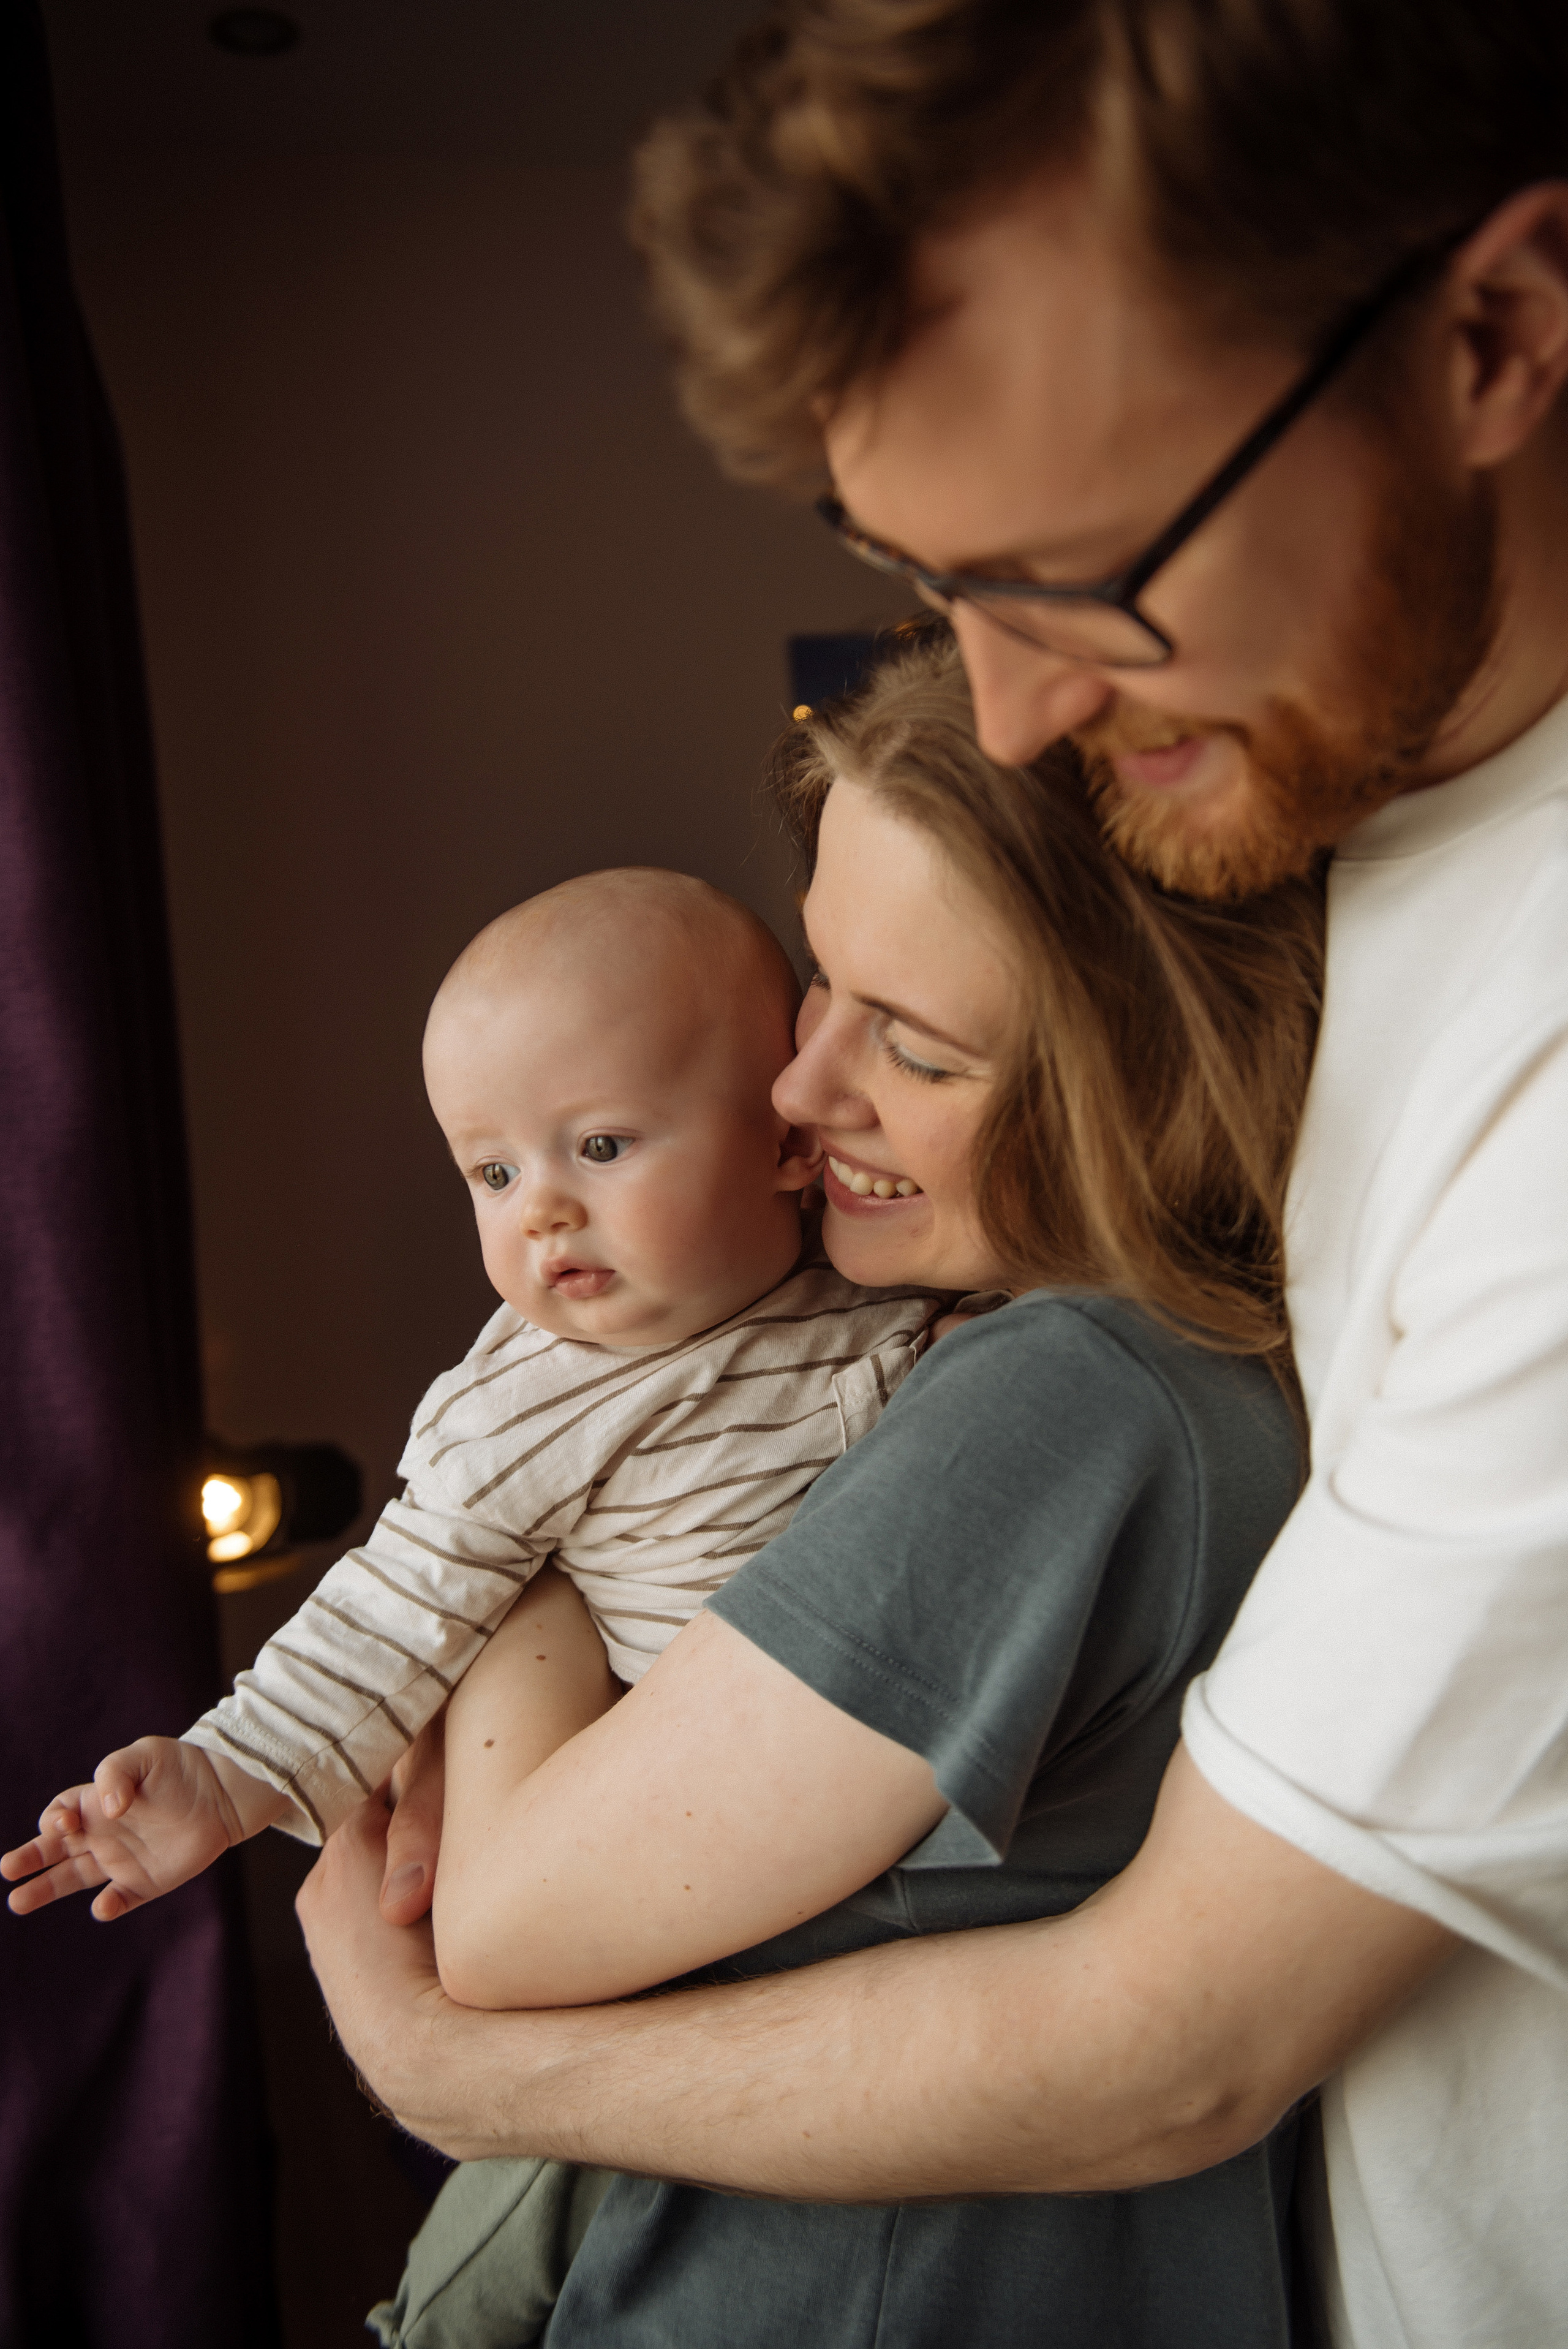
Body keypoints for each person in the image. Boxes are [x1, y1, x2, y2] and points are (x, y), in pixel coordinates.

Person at [300, 5, 1568, 2345]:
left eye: (1082, 568)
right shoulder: (1327, 814)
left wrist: (458, 2051)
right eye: (926, 574)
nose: (1010, 705)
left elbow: (1176, 2041)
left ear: (1494, 336)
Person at [342, 634, 1327, 2348]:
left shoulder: (1070, 1397)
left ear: (1143, 1079)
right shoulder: (935, 1342)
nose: (795, 1091)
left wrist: (531, 1536)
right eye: (821, 980)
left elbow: (492, 1931)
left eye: (918, 1050)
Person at [0, 869, 943, 1920]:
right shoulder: (518, 1404)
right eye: (493, 1173)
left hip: (934, 1751)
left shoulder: (880, 1266)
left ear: (786, 1141)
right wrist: (226, 1774)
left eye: (600, 1146)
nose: (541, 1210)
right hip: (718, 1825)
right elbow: (400, 1600)